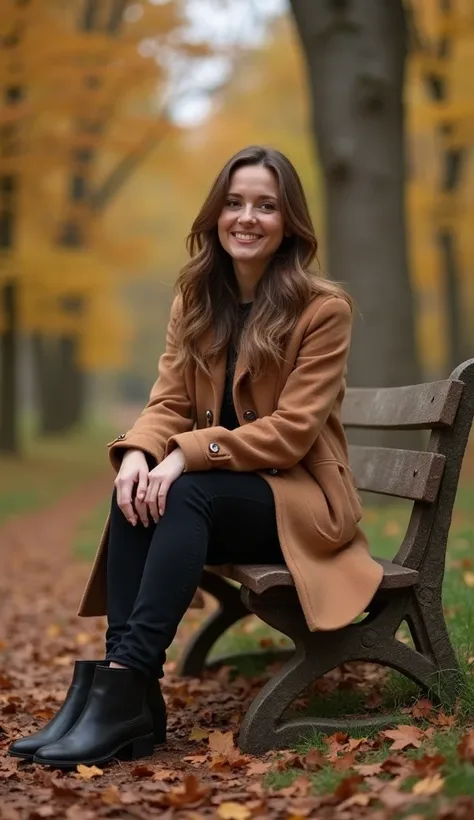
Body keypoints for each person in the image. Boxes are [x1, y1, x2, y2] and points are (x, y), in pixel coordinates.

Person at [9, 145, 383, 769]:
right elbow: (168, 402)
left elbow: (291, 433)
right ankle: (120, 688)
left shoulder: (323, 310)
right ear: (215, 214)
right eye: (234, 203)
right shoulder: (198, 301)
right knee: (139, 489)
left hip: (299, 503)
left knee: (183, 489)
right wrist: (137, 454)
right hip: (224, 497)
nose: (247, 217)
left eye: (266, 205)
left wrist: (182, 455)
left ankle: (128, 681)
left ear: (288, 221)